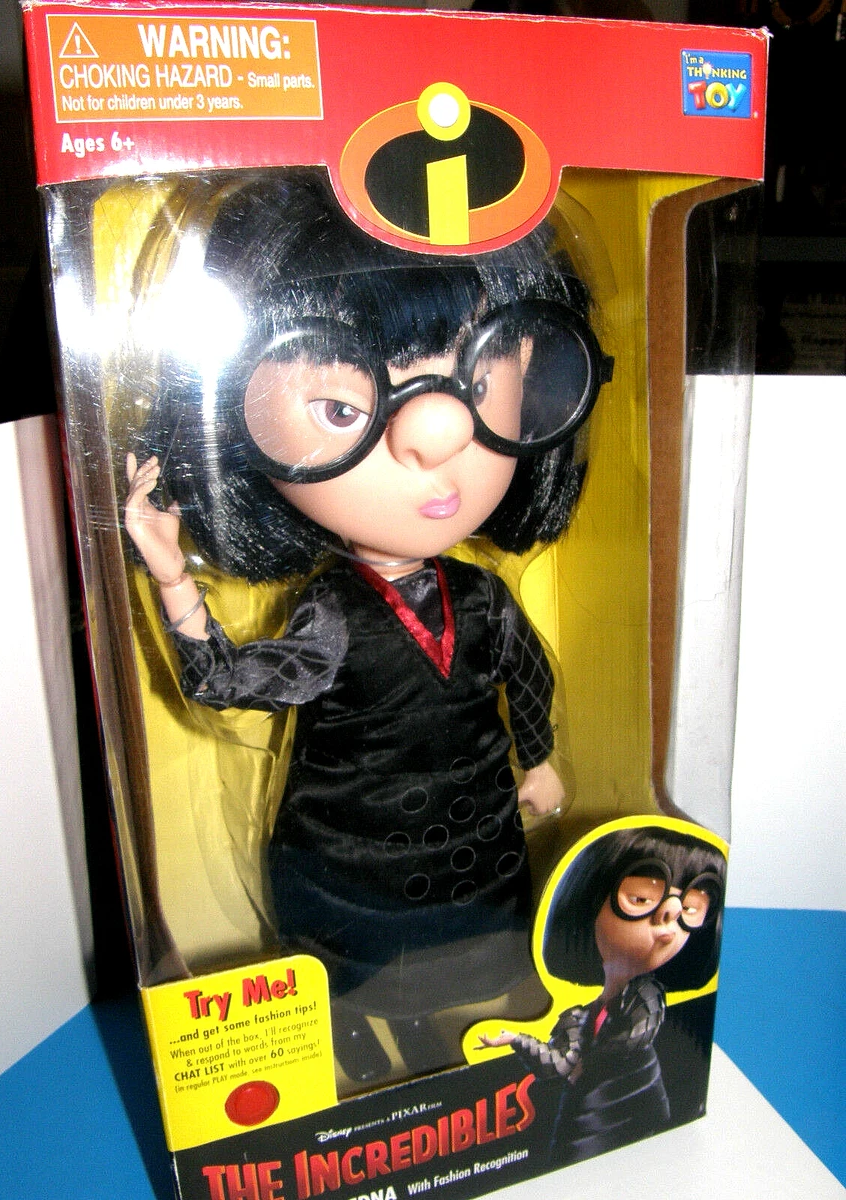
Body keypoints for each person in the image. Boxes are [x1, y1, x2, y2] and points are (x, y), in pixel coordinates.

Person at [123, 169, 611, 1083]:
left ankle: (447, 1039)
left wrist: (540, 757)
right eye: (343, 407)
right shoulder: (333, 615)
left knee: (472, 962)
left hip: (475, 849)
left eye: (479, 380)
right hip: (352, 861)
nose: (435, 431)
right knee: (355, 971)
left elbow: (528, 674)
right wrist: (171, 575)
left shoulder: (481, 598)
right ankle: (347, 1030)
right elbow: (227, 682)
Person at [479, 825, 725, 1165]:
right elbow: (559, 1064)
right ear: (589, 899)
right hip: (582, 1121)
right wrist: (514, 1039)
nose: (668, 920)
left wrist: (587, 1062)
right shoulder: (580, 1015)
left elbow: (633, 1037)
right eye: (641, 899)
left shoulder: (646, 996)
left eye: (690, 909)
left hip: (636, 1115)